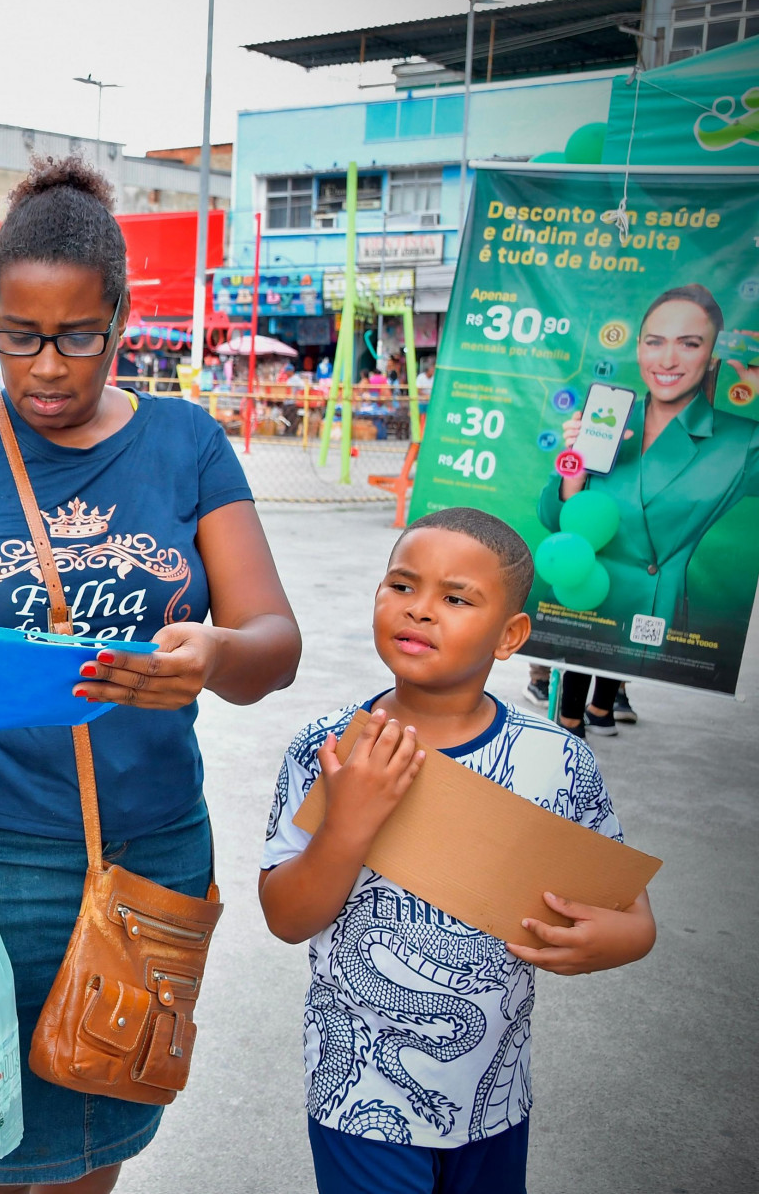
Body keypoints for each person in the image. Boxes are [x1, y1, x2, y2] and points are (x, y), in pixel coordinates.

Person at [0, 156, 302, 1193]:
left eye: (78, 337)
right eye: (19, 336)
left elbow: (273, 635)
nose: (47, 368)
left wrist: (218, 654)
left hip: (149, 856)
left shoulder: (185, 442)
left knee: (99, 1131)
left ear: (123, 319)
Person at [260, 507, 655, 1194]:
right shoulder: (327, 747)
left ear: (511, 636)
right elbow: (286, 916)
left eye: (454, 597)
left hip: (494, 1098)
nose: (420, 611)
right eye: (402, 586)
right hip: (359, 1099)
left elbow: (632, 914)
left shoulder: (556, 762)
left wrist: (613, 939)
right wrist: (348, 822)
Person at [541, 284, 759, 734]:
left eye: (689, 344)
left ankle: (603, 705)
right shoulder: (611, 419)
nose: (668, 360)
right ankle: (577, 715)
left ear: (712, 354)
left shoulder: (741, 440)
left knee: (624, 626)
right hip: (587, 583)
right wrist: (574, 464)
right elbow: (558, 520)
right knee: (581, 653)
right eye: (655, 342)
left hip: (655, 599)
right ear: (639, 347)